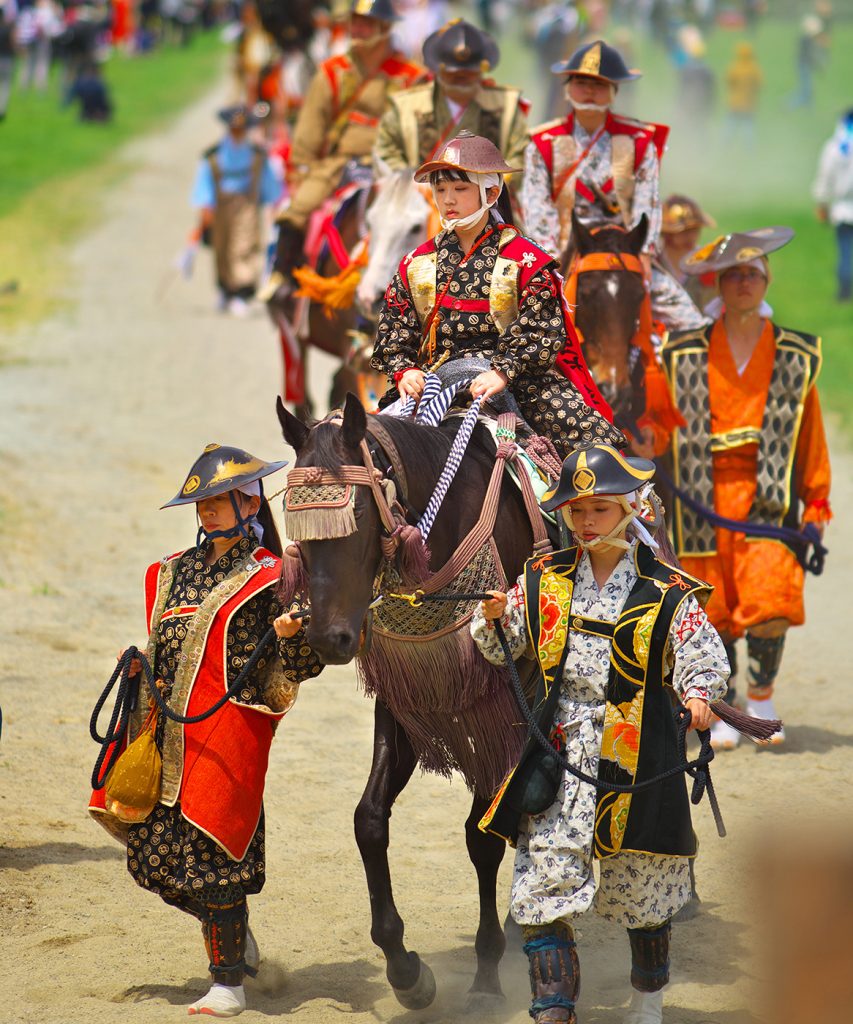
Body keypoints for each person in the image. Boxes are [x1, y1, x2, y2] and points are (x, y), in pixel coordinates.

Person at [470, 443, 729, 1024]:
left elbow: (699, 654)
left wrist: (699, 696)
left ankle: (648, 997)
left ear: (632, 508)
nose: (586, 522)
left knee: (643, 888)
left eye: (601, 510)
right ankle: (553, 1008)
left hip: (639, 755)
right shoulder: (542, 577)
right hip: (559, 753)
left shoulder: (669, 591)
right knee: (542, 884)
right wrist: (491, 618)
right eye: (577, 510)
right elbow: (500, 650)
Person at [89, 444, 322, 1019]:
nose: (209, 511)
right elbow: (161, 642)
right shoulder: (172, 571)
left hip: (227, 734)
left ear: (249, 503)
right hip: (161, 730)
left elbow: (302, 666)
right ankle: (236, 944)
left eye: (220, 500)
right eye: (202, 502)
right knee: (154, 859)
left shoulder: (276, 577)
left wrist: (293, 636)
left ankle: (228, 984)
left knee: (215, 858)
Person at [656, 228, 831, 750]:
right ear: (718, 283)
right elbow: (662, 426)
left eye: (752, 275)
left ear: (764, 282)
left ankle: (762, 696)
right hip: (699, 497)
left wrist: (816, 499)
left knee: (770, 598)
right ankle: (726, 703)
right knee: (715, 607)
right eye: (733, 275)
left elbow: (810, 431)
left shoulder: (795, 354)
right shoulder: (683, 352)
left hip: (767, 498)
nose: (742, 284)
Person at [371, 131, 623, 457]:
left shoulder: (527, 262)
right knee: (370, 451)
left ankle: (627, 504)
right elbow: (394, 330)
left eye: (460, 189)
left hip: (518, 383)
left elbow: (542, 330)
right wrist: (405, 370)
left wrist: (503, 371)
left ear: (490, 192)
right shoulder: (415, 264)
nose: (447, 199)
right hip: (433, 384)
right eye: (440, 189)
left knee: (594, 443)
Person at [521, 39, 705, 333]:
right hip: (563, 253)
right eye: (582, 82)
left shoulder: (639, 140)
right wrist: (551, 262)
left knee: (692, 324)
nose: (590, 91)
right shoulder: (543, 142)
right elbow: (536, 207)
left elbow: (648, 200)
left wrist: (644, 253)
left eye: (600, 84)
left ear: (614, 91)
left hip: (626, 252)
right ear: (567, 88)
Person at [271, 0, 425, 289]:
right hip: (338, 163)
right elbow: (309, 129)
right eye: (355, 22)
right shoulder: (332, 71)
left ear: (385, 27)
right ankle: (283, 277)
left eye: (366, 23)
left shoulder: (411, 76)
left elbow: (423, 131)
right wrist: (301, 171)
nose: (357, 29)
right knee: (298, 208)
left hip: (395, 169)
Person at [373, 18, 529, 190]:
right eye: (453, 72)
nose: (461, 77)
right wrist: (411, 183)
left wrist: (491, 184)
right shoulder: (406, 106)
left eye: (468, 72)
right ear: (438, 69)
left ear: (481, 70)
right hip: (418, 203)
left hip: (489, 202)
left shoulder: (506, 106)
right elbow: (386, 149)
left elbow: (521, 155)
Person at [191, 103, 281, 316]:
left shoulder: (257, 154)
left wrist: (273, 203)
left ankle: (242, 291)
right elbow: (205, 182)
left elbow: (268, 182)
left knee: (244, 246)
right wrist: (206, 206)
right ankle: (225, 289)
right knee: (222, 248)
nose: (238, 133)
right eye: (234, 129)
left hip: (246, 205)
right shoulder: (214, 154)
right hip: (221, 206)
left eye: (242, 129)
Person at [813, 107, 853, 301]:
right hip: (844, 206)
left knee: (846, 252)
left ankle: (845, 291)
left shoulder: (836, 147)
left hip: (844, 208)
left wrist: (822, 203)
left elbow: (825, 177)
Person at [658, 194, 716, 314]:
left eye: (695, 230)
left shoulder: (709, 264)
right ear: (666, 233)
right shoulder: (653, 264)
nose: (691, 236)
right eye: (684, 231)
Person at [723, 40, 762, 147]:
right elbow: (759, 84)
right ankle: (750, 149)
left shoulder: (735, 67)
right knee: (748, 129)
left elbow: (729, 82)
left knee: (729, 127)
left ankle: (724, 146)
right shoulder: (754, 69)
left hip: (735, 103)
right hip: (749, 104)